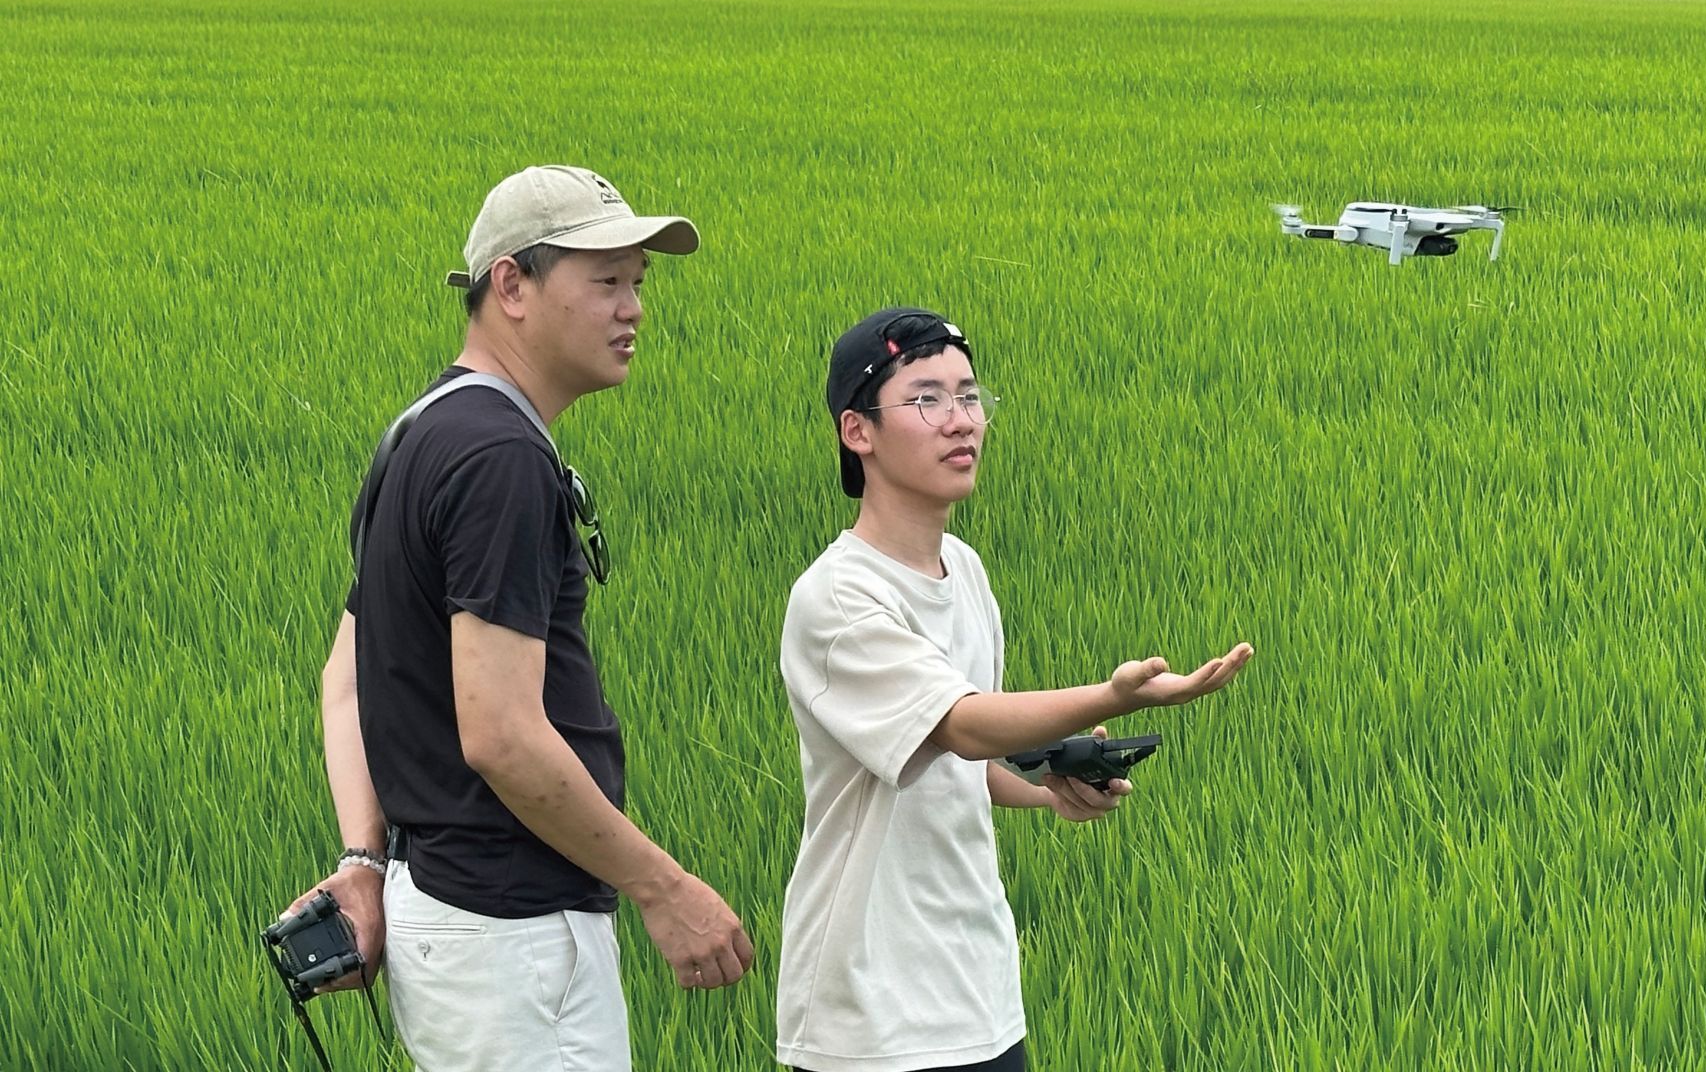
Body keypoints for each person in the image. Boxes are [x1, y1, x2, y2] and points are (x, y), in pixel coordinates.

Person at [286, 165, 754, 1072]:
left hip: (458, 921)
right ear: (512, 286)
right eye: (605, 281)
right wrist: (665, 888)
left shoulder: (420, 430)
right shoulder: (499, 457)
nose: (634, 310)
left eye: (639, 284)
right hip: (514, 943)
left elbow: (346, 675)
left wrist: (364, 859)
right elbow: (500, 734)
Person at [777, 307, 1253, 1072]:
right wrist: (1115, 695)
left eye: (970, 396)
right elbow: (960, 725)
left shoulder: (962, 571)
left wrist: (1051, 789)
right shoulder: (837, 597)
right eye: (927, 398)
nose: (961, 421)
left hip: (978, 991)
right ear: (856, 431)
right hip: (869, 1017)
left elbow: (961, 762)